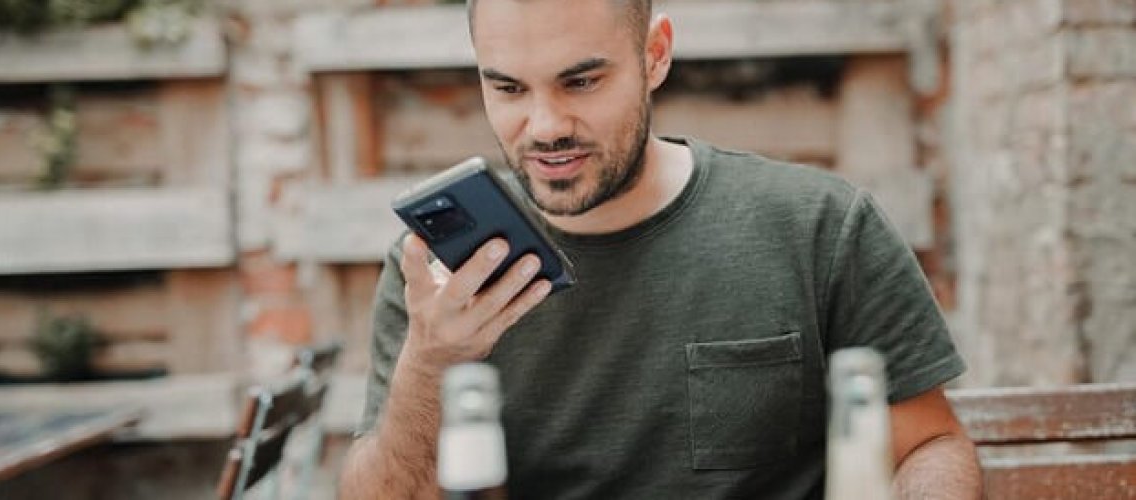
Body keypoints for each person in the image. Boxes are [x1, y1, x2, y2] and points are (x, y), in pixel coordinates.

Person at [340, 0, 982, 498]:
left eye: (581, 82)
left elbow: (927, 445)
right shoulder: (434, 274)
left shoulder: (819, 227)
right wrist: (429, 366)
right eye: (508, 89)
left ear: (655, 55)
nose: (545, 126)